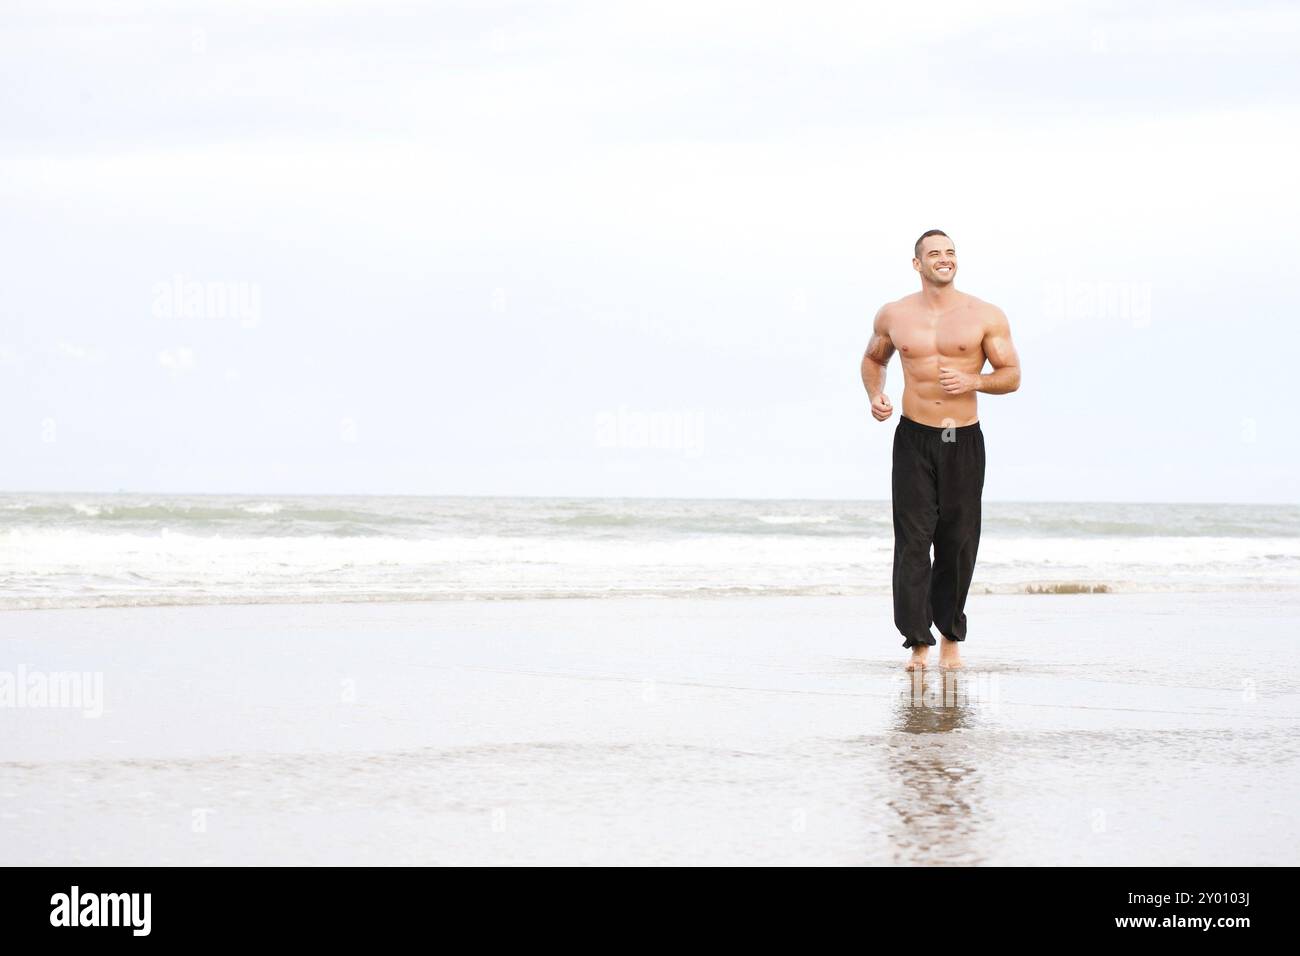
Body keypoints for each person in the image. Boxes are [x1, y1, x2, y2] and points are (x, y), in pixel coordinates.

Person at [860, 230, 1021, 671]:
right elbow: (875, 360)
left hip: (960, 437)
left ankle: (951, 635)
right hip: (913, 436)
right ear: (917, 264)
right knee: (912, 541)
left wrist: (975, 381)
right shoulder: (894, 314)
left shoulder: (984, 315)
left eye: (950, 252)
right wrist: (876, 395)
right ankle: (918, 643)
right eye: (935, 253)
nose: (944, 259)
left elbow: (1011, 375)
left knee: (958, 540)